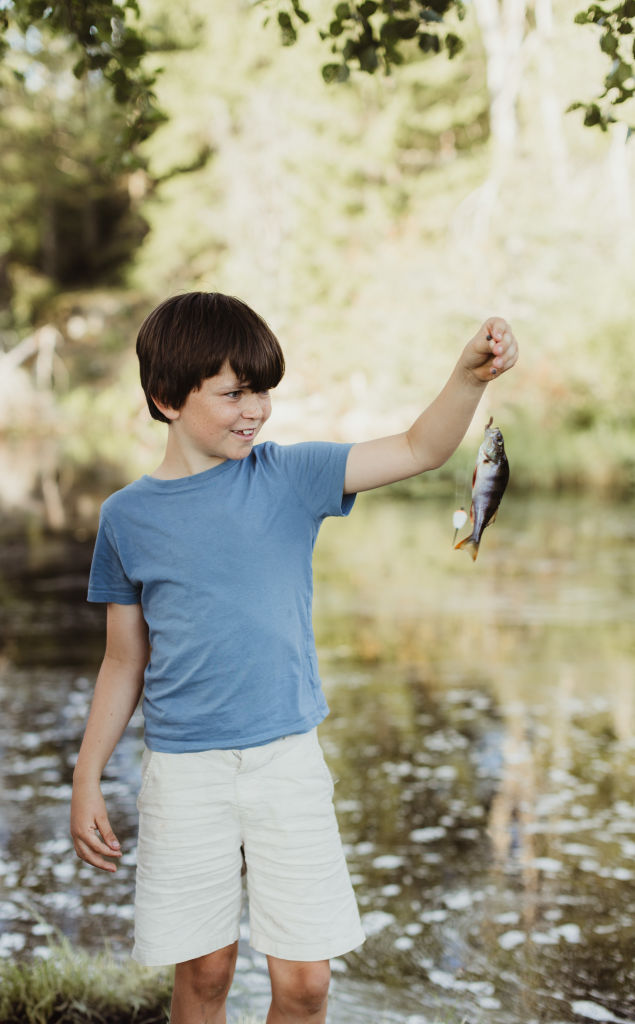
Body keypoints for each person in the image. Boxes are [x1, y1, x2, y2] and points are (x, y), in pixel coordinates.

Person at [70, 291, 518, 1024]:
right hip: (185, 772)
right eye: (233, 393)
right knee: (207, 973)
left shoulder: (288, 475)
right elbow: (124, 662)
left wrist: (469, 378)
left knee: (307, 985)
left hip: (287, 762)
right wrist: (87, 775)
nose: (256, 408)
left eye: (264, 390)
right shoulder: (126, 517)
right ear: (165, 399)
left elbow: (418, 448)